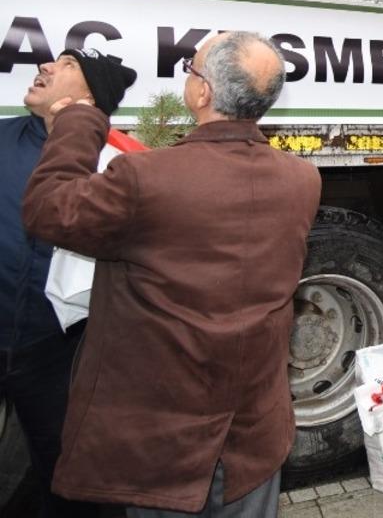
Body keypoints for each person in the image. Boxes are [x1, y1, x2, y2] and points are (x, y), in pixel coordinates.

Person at [22, 32, 321, 516]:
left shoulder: (147, 178)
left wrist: (78, 122)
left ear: (202, 93)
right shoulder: (302, 178)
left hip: (168, 447)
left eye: (191, 69)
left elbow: (48, 210)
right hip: (253, 437)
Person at [2, 49, 135, 517]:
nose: (45, 66)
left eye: (67, 65)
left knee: (65, 477)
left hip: (58, 354)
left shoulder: (119, 165)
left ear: (89, 99)